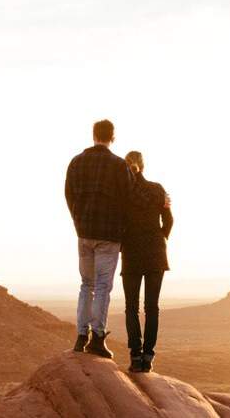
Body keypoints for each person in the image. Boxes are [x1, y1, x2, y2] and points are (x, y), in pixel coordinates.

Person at [64, 119, 133, 358]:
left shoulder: (76, 162)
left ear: (93, 135)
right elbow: (128, 201)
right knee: (103, 285)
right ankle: (98, 337)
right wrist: (123, 232)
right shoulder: (118, 165)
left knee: (86, 284)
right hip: (108, 235)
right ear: (112, 137)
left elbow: (69, 195)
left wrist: (78, 221)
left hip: (84, 233)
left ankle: (81, 336)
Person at [120, 150, 173, 373]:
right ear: (143, 166)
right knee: (152, 307)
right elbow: (169, 220)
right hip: (155, 253)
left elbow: (116, 223)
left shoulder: (122, 194)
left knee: (131, 307)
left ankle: (135, 355)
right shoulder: (157, 189)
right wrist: (161, 237)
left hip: (131, 253)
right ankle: (148, 356)